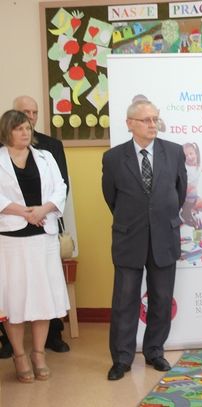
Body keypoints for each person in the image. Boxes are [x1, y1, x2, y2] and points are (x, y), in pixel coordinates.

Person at [102, 99, 187, 380]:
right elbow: (111, 198)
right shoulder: (113, 158)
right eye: (146, 120)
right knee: (124, 299)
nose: (153, 124)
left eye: (155, 119)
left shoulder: (173, 152)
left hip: (164, 235)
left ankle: (154, 351)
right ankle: (122, 358)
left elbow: (179, 192)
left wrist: (160, 216)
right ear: (130, 124)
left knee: (161, 298)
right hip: (129, 236)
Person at [0, 110, 70, 383]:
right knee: (14, 299)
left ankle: (38, 354)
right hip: (11, 239)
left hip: (44, 236)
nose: (25, 133)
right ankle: (19, 355)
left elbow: (60, 188)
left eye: (28, 128)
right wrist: (24, 212)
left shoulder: (45, 157)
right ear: (7, 132)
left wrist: (42, 210)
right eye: (19, 128)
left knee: (42, 298)